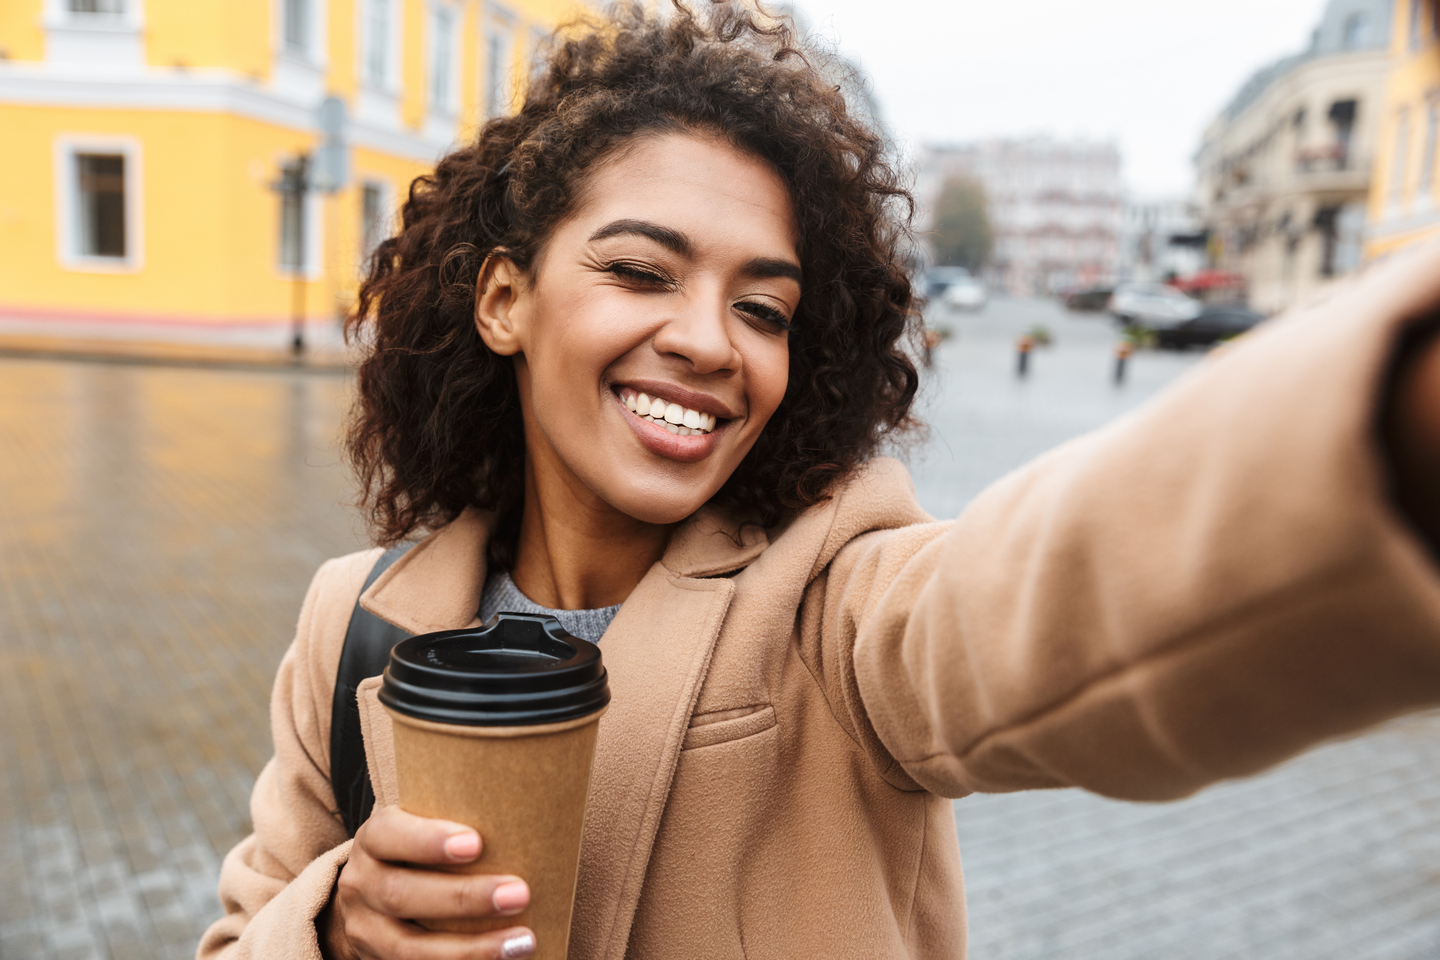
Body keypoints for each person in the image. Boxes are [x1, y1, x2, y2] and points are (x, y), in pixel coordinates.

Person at [199, 4, 1440, 959]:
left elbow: (1051, 607)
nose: (709, 339)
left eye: (763, 306)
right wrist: (333, 922)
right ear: (506, 299)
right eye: (641, 272)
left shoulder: (836, 605)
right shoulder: (356, 622)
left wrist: (1388, 421)